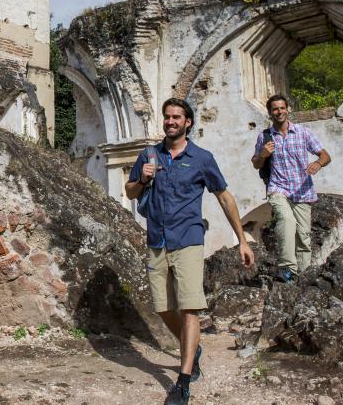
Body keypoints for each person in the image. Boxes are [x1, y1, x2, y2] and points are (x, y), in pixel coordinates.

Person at [126, 98, 254, 405]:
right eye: (167, 117)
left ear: (188, 123)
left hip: (189, 238)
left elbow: (224, 196)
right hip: (157, 238)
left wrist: (243, 240)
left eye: (176, 117)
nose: (170, 121)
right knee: (161, 306)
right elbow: (130, 190)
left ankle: (183, 381)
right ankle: (192, 347)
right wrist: (142, 179)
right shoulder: (149, 153)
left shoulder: (202, 158)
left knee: (189, 306)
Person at [251, 94, 331, 282]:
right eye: (275, 109)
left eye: (282, 108)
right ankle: (287, 268)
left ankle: (302, 276)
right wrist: (262, 155)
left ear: (288, 110)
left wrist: (318, 164)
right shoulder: (265, 136)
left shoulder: (303, 132)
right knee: (286, 221)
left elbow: (326, 155)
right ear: (269, 113)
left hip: (302, 190)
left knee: (303, 235)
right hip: (278, 188)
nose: (279, 112)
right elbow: (256, 163)